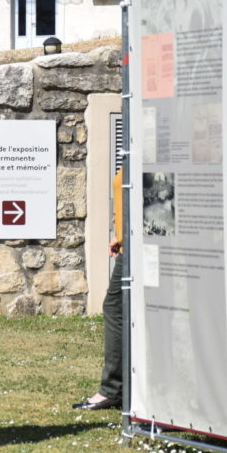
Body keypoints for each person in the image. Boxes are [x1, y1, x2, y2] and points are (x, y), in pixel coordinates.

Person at [74, 167, 126, 412]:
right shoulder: (133, 153)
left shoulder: (145, 151)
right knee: (118, 309)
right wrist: (120, 236)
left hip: (138, 248)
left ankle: (113, 389)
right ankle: (118, 388)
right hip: (128, 244)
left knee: (115, 308)